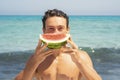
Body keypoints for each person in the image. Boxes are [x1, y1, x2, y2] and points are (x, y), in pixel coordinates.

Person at [15, 9, 102, 80]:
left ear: (67, 30)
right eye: (51, 28)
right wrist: (33, 63)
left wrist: (79, 62)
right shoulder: (37, 58)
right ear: (44, 31)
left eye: (60, 28)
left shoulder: (81, 56)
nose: (56, 33)